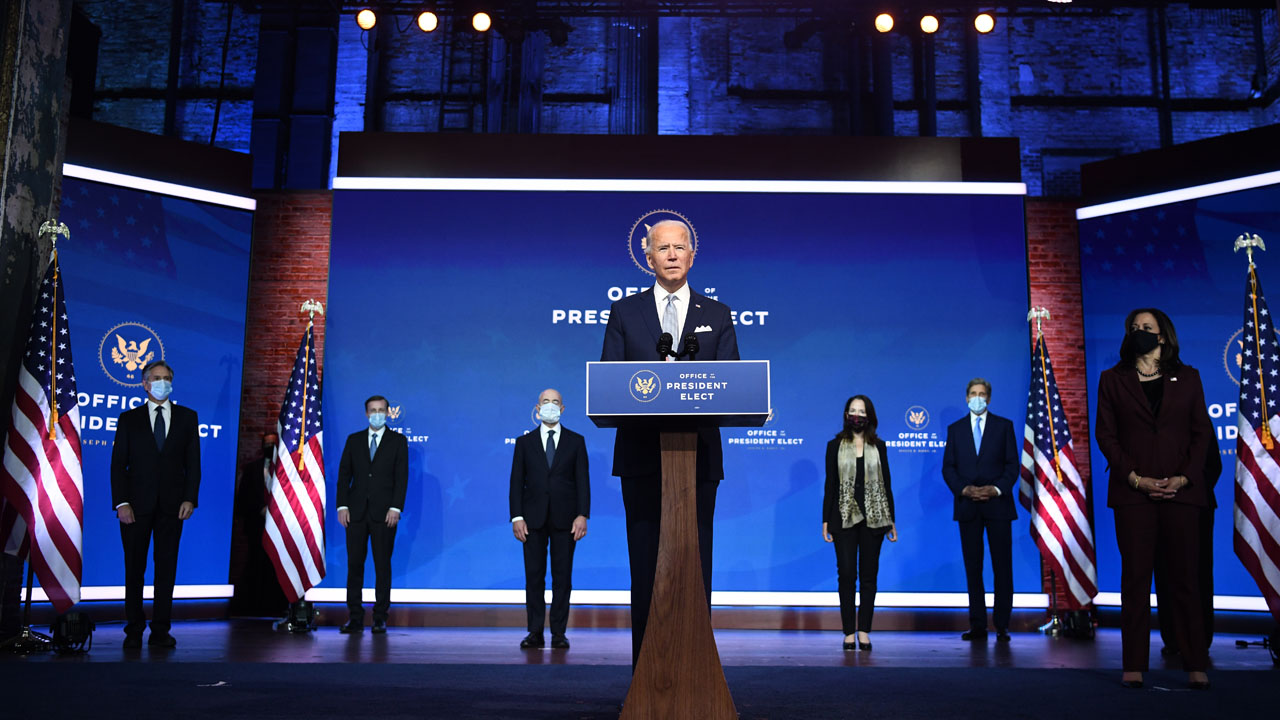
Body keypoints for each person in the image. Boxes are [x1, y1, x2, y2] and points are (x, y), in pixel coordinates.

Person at [600, 218, 740, 666]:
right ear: (648, 258)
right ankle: (646, 675)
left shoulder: (716, 314)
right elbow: (610, 382)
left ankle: (695, 671)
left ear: (692, 256)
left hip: (697, 461)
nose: (673, 255)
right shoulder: (625, 312)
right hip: (642, 458)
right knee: (646, 568)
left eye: (680, 247)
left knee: (695, 567)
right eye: (664, 248)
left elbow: (732, 384)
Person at [1095, 308, 1212, 690]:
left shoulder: (1189, 377)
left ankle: (1195, 663)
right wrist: (1135, 478)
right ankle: (1133, 664)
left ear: (1163, 336)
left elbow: (1201, 434)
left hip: (1182, 494)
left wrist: (1183, 478)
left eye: (1146, 327)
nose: (1139, 332)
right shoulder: (1112, 379)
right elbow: (1106, 435)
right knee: (1135, 581)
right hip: (1133, 495)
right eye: (1133, 328)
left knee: (1185, 580)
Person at [110, 360, 201, 648]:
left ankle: (161, 630)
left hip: (173, 507)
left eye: (167, 378)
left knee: (166, 570)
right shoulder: (129, 419)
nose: (163, 383)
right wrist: (121, 503)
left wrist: (189, 498)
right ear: (145, 384)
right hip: (135, 507)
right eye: (157, 378)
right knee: (134, 569)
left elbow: (193, 464)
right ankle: (134, 629)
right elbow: (118, 465)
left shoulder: (188, 417)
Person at [509, 388, 590, 650]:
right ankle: (534, 632)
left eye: (555, 402)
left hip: (566, 520)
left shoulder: (576, 441)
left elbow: (583, 482)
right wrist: (517, 517)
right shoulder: (524, 443)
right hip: (532, 520)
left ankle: (558, 633)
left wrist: (582, 514)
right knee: (534, 577)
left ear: (563, 409)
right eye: (546, 402)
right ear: (537, 408)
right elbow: (516, 483)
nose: (551, 406)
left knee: (562, 578)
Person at [941, 377, 1018, 642]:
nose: (977, 398)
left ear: (989, 398)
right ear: (966, 398)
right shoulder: (955, 429)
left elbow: (1012, 466)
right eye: (973, 393)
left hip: (998, 506)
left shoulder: (1004, 426)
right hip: (968, 506)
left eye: (982, 394)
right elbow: (948, 468)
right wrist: (965, 490)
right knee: (973, 568)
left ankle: (1003, 625)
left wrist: (995, 489)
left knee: (1002, 567)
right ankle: (978, 625)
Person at [822, 395, 897, 651]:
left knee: (868, 576)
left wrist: (892, 520)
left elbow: (886, 484)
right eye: (853, 411)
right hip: (842, 518)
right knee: (846, 575)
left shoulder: (880, 447)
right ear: (846, 415)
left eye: (861, 411)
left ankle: (864, 630)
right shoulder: (834, 446)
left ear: (869, 416)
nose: (857, 415)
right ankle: (848, 632)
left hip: (875, 518)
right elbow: (830, 485)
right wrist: (825, 520)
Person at [336, 395, 408, 634]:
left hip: (384, 514)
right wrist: (342, 506)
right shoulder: (353, 440)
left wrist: (395, 507)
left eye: (381, 410)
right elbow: (344, 475)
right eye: (372, 410)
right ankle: (355, 617)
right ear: (366, 414)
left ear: (388, 413)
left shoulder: (398, 441)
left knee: (382, 566)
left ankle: (380, 617)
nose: (377, 414)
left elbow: (401, 478)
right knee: (354, 565)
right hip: (355, 513)